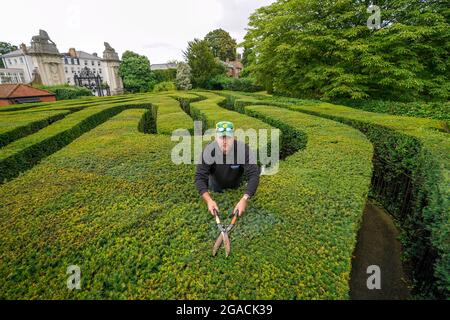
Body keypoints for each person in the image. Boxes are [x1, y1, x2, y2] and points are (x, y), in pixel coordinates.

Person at [195, 121, 261, 217]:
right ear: (216, 138)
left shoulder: (243, 149)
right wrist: (209, 200)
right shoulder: (208, 150)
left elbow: (254, 174)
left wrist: (244, 199)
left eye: (228, 137)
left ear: (234, 137)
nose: (225, 141)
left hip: (236, 186)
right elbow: (199, 177)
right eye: (222, 137)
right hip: (215, 187)